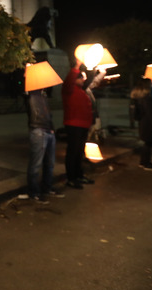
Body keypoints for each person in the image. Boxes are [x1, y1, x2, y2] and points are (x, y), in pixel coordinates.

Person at [61, 61, 103, 189]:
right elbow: (69, 79)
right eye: (82, 78)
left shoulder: (81, 90)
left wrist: (97, 70)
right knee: (73, 152)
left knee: (79, 152)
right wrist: (76, 66)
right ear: (76, 79)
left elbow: (91, 81)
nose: (84, 80)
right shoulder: (68, 89)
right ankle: (71, 178)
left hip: (83, 125)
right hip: (74, 125)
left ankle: (79, 175)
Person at [20, 86, 60, 203]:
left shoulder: (43, 94)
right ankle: (33, 192)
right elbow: (24, 88)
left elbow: (48, 113)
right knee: (36, 164)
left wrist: (52, 128)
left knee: (50, 163)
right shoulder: (30, 93)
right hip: (38, 130)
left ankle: (47, 188)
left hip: (48, 130)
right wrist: (27, 72)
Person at [131, 78, 152, 171]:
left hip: (144, 123)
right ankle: (146, 163)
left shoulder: (138, 97)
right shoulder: (148, 97)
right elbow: (151, 112)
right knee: (148, 144)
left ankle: (143, 162)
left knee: (147, 143)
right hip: (149, 124)